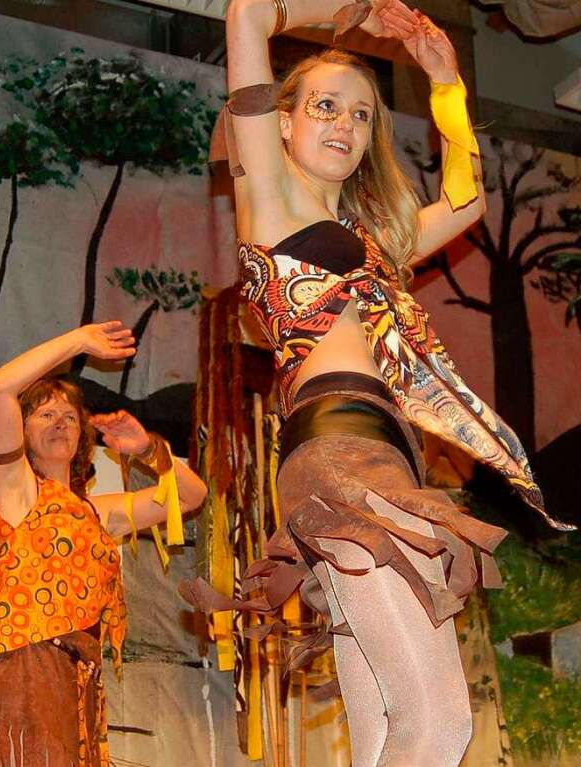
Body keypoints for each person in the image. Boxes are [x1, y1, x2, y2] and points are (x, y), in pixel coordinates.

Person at [180, 2, 571, 766]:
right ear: (281, 125)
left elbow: (467, 202)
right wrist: (357, 13)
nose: (345, 124)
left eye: (361, 114)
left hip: (381, 464)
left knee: (388, 733)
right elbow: (248, 14)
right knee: (441, 724)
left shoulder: (375, 250)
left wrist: (446, 82)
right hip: (342, 460)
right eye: (324, 105)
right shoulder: (271, 202)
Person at [0, 322, 207, 767]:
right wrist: (78, 342)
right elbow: (0, 386)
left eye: (70, 417)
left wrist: (148, 448)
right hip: (26, 663)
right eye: (45, 414)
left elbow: (191, 496)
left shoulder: (97, 513)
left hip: (78, 678)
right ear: (21, 432)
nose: (61, 423)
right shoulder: (18, 490)